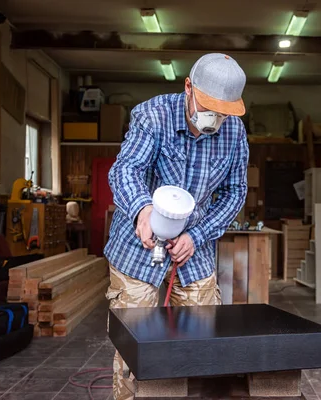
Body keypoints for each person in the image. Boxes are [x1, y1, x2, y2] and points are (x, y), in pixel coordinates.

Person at [104, 52, 249, 400]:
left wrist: (196, 236)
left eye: (224, 110)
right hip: (138, 248)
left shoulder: (235, 132)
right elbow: (126, 170)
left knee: (201, 342)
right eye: (209, 106)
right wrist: (142, 211)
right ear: (188, 87)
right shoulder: (153, 116)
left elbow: (235, 192)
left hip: (193, 251)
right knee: (133, 348)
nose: (215, 118)